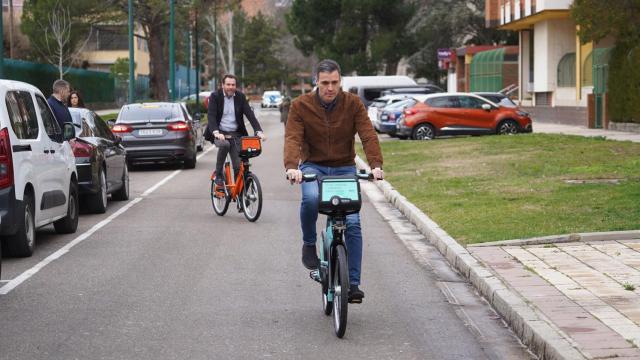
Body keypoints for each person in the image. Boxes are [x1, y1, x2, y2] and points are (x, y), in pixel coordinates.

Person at [283, 59, 384, 304]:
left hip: (344, 168)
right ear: (316, 82)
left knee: (353, 223)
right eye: (325, 83)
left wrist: (376, 165)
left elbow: (367, 134)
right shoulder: (300, 105)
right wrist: (291, 167)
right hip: (313, 167)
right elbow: (293, 137)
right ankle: (309, 244)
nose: (330, 88)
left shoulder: (353, 103)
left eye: (335, 83)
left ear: (340, 82)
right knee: (310, 198)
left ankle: (354, 284)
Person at [206, 74, 267, 188]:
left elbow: (250, 115)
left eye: (233, 85)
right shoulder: (215, 96)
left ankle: (240, 194)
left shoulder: (240, 97)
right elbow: (211, 116)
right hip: (219, 133)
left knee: (239, 166)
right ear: (223, 85)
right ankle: (219, 174)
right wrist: (216, 132)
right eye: (228, 84)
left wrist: (258, 131)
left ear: (236, 86)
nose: (230, 87)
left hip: (236, 134)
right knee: (224, 145)